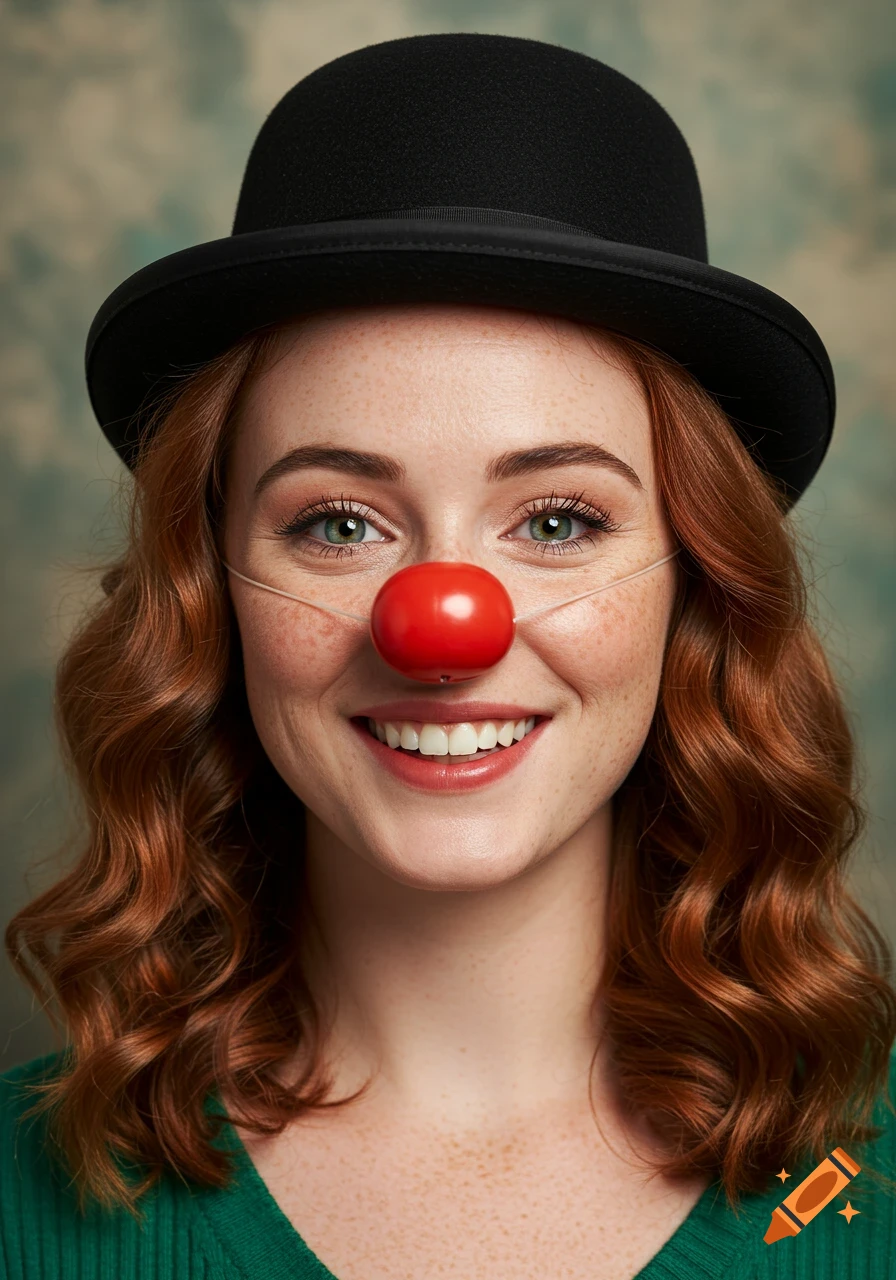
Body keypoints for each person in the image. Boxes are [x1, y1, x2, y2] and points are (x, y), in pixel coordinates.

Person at [2, 32, 895, 1280]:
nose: (441, 626)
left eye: (556, 520)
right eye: (336, 522)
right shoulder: (16, 1201)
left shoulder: (873, 1186)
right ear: (210, 590)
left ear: (695, 583)